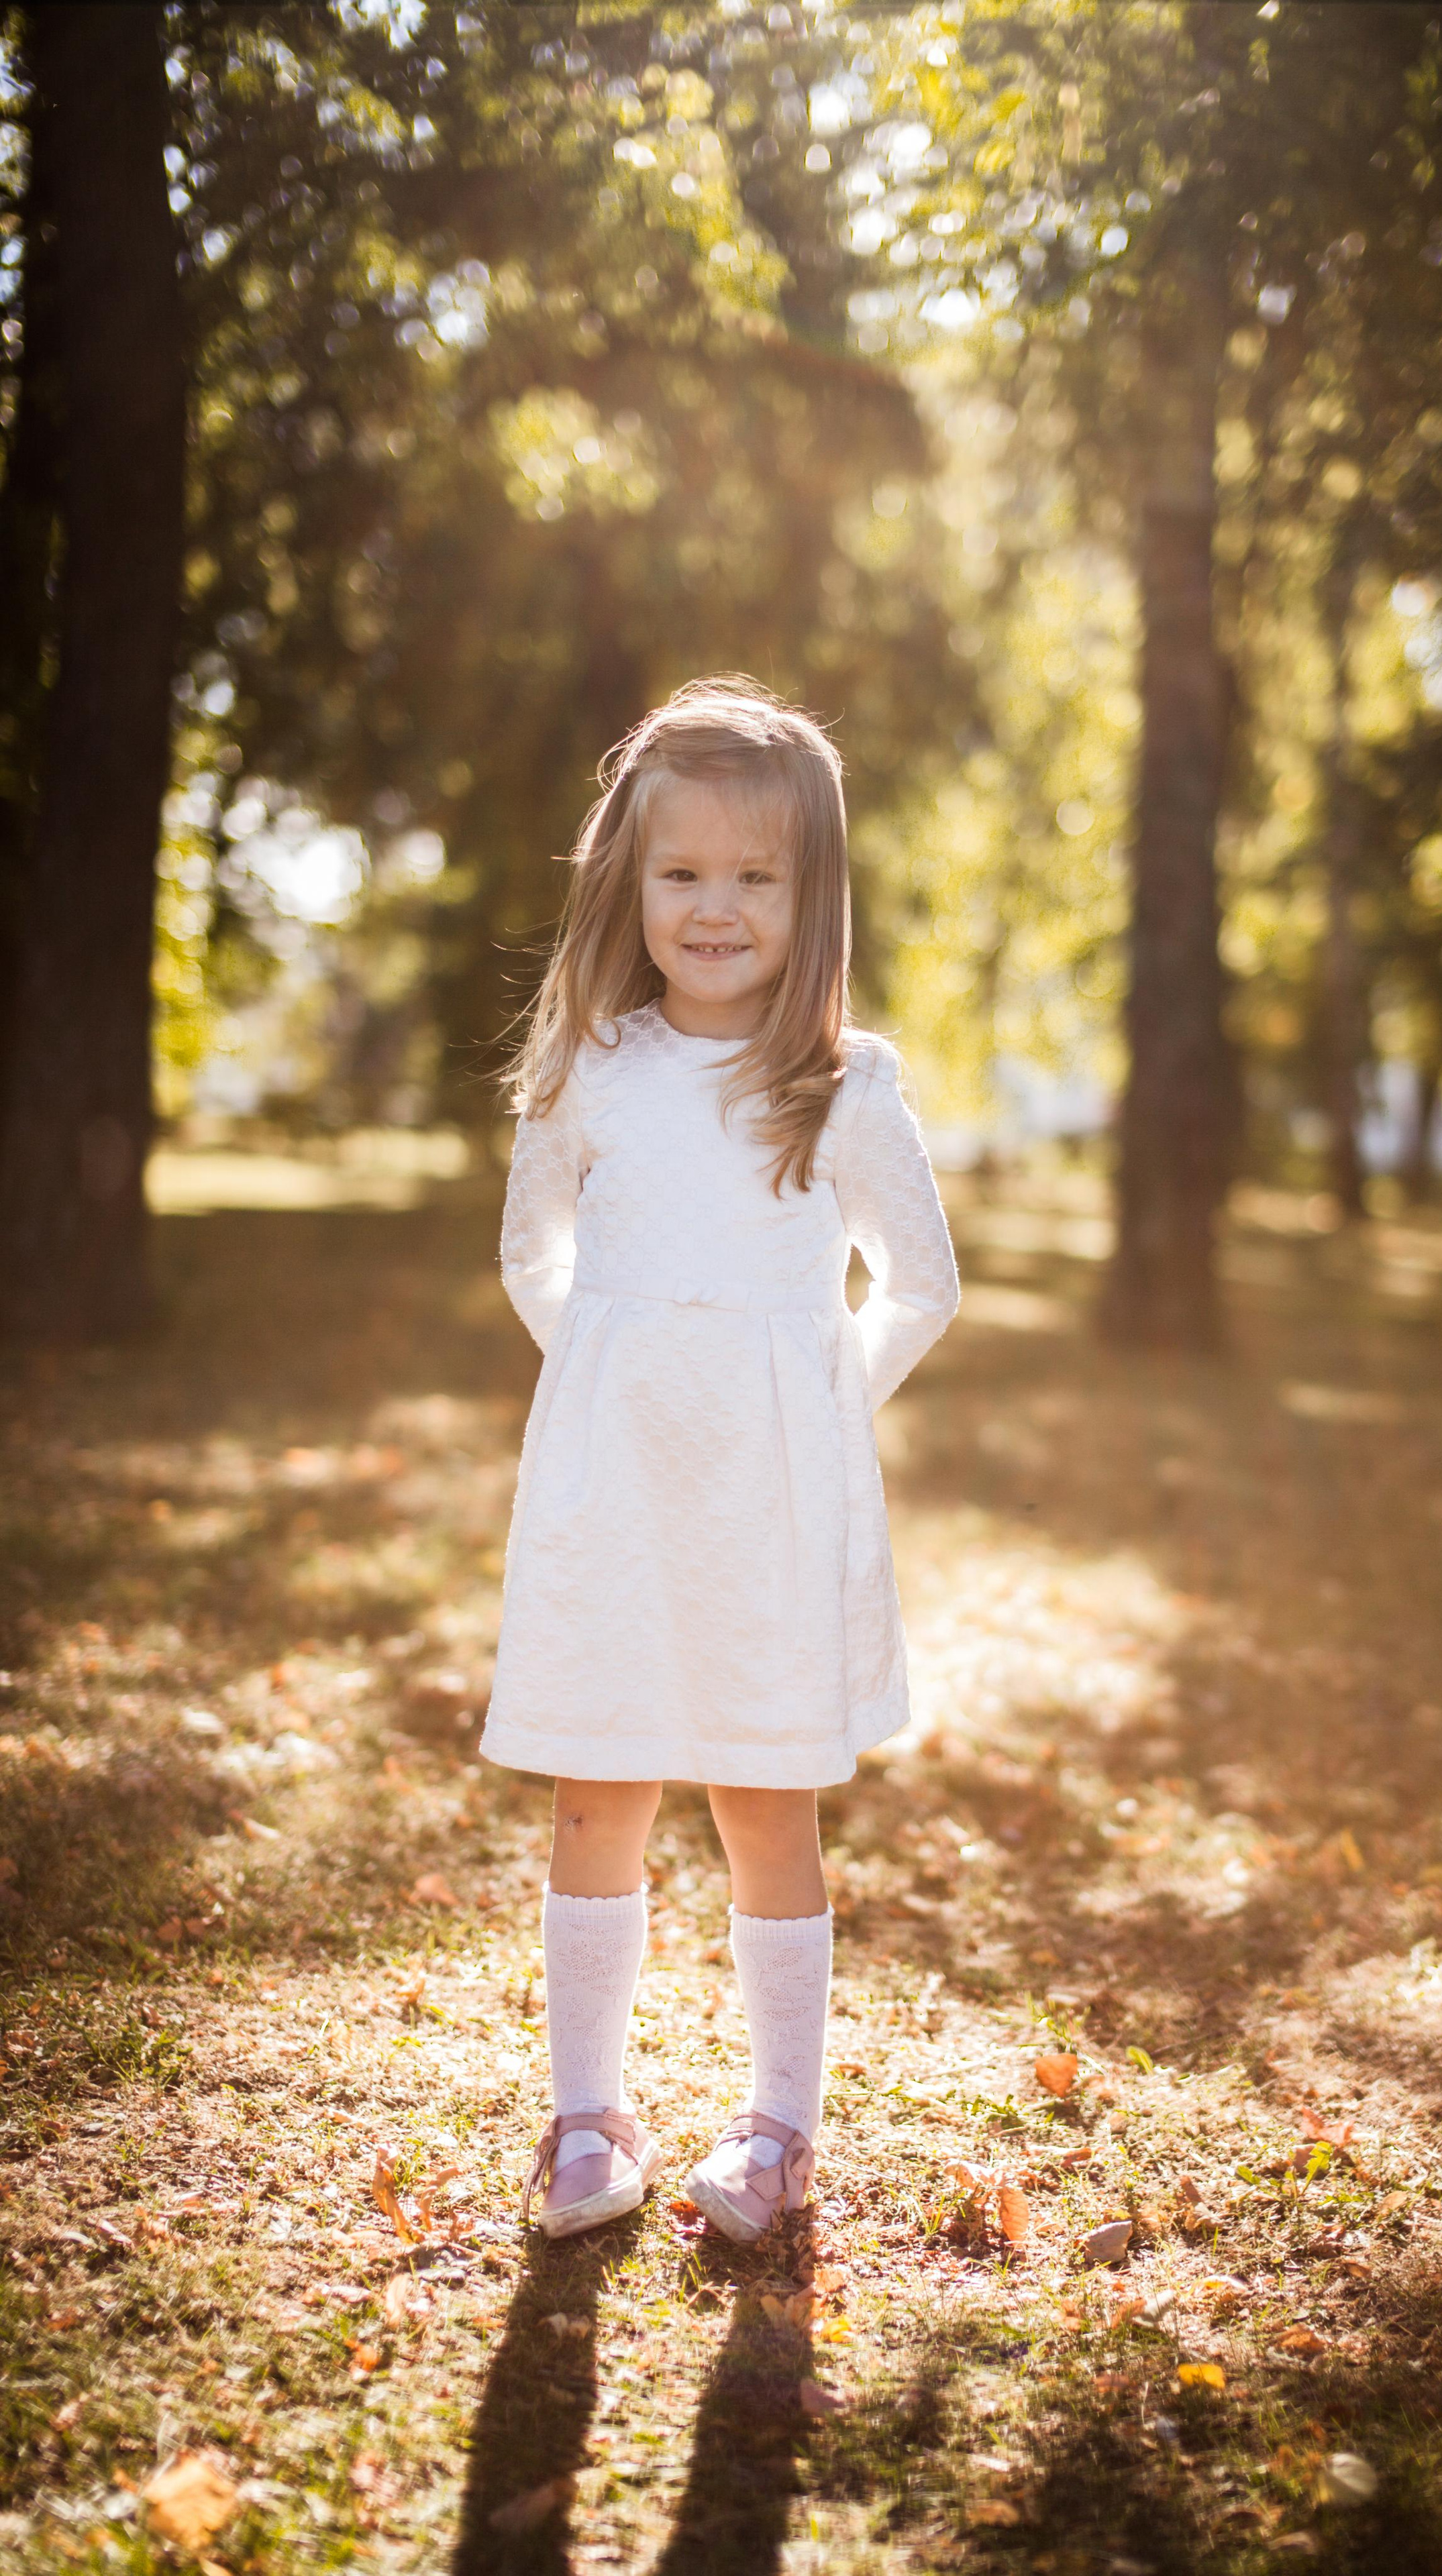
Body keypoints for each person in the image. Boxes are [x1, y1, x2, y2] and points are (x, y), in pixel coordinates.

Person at [482, 674, 960, 2245]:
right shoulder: (591, 1069)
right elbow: (532, 1253)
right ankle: (584, 2117)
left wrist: (818, 1399)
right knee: (593, 1789)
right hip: (613, 1494)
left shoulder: (843, 1086)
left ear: (810, 895)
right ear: (631, 877)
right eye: (683, 872)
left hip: (770, 1506)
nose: (714, 907)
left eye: (757, 878)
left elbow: (922, 1286)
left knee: (766, 1806)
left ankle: (777, 2129)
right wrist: (612, 1374)